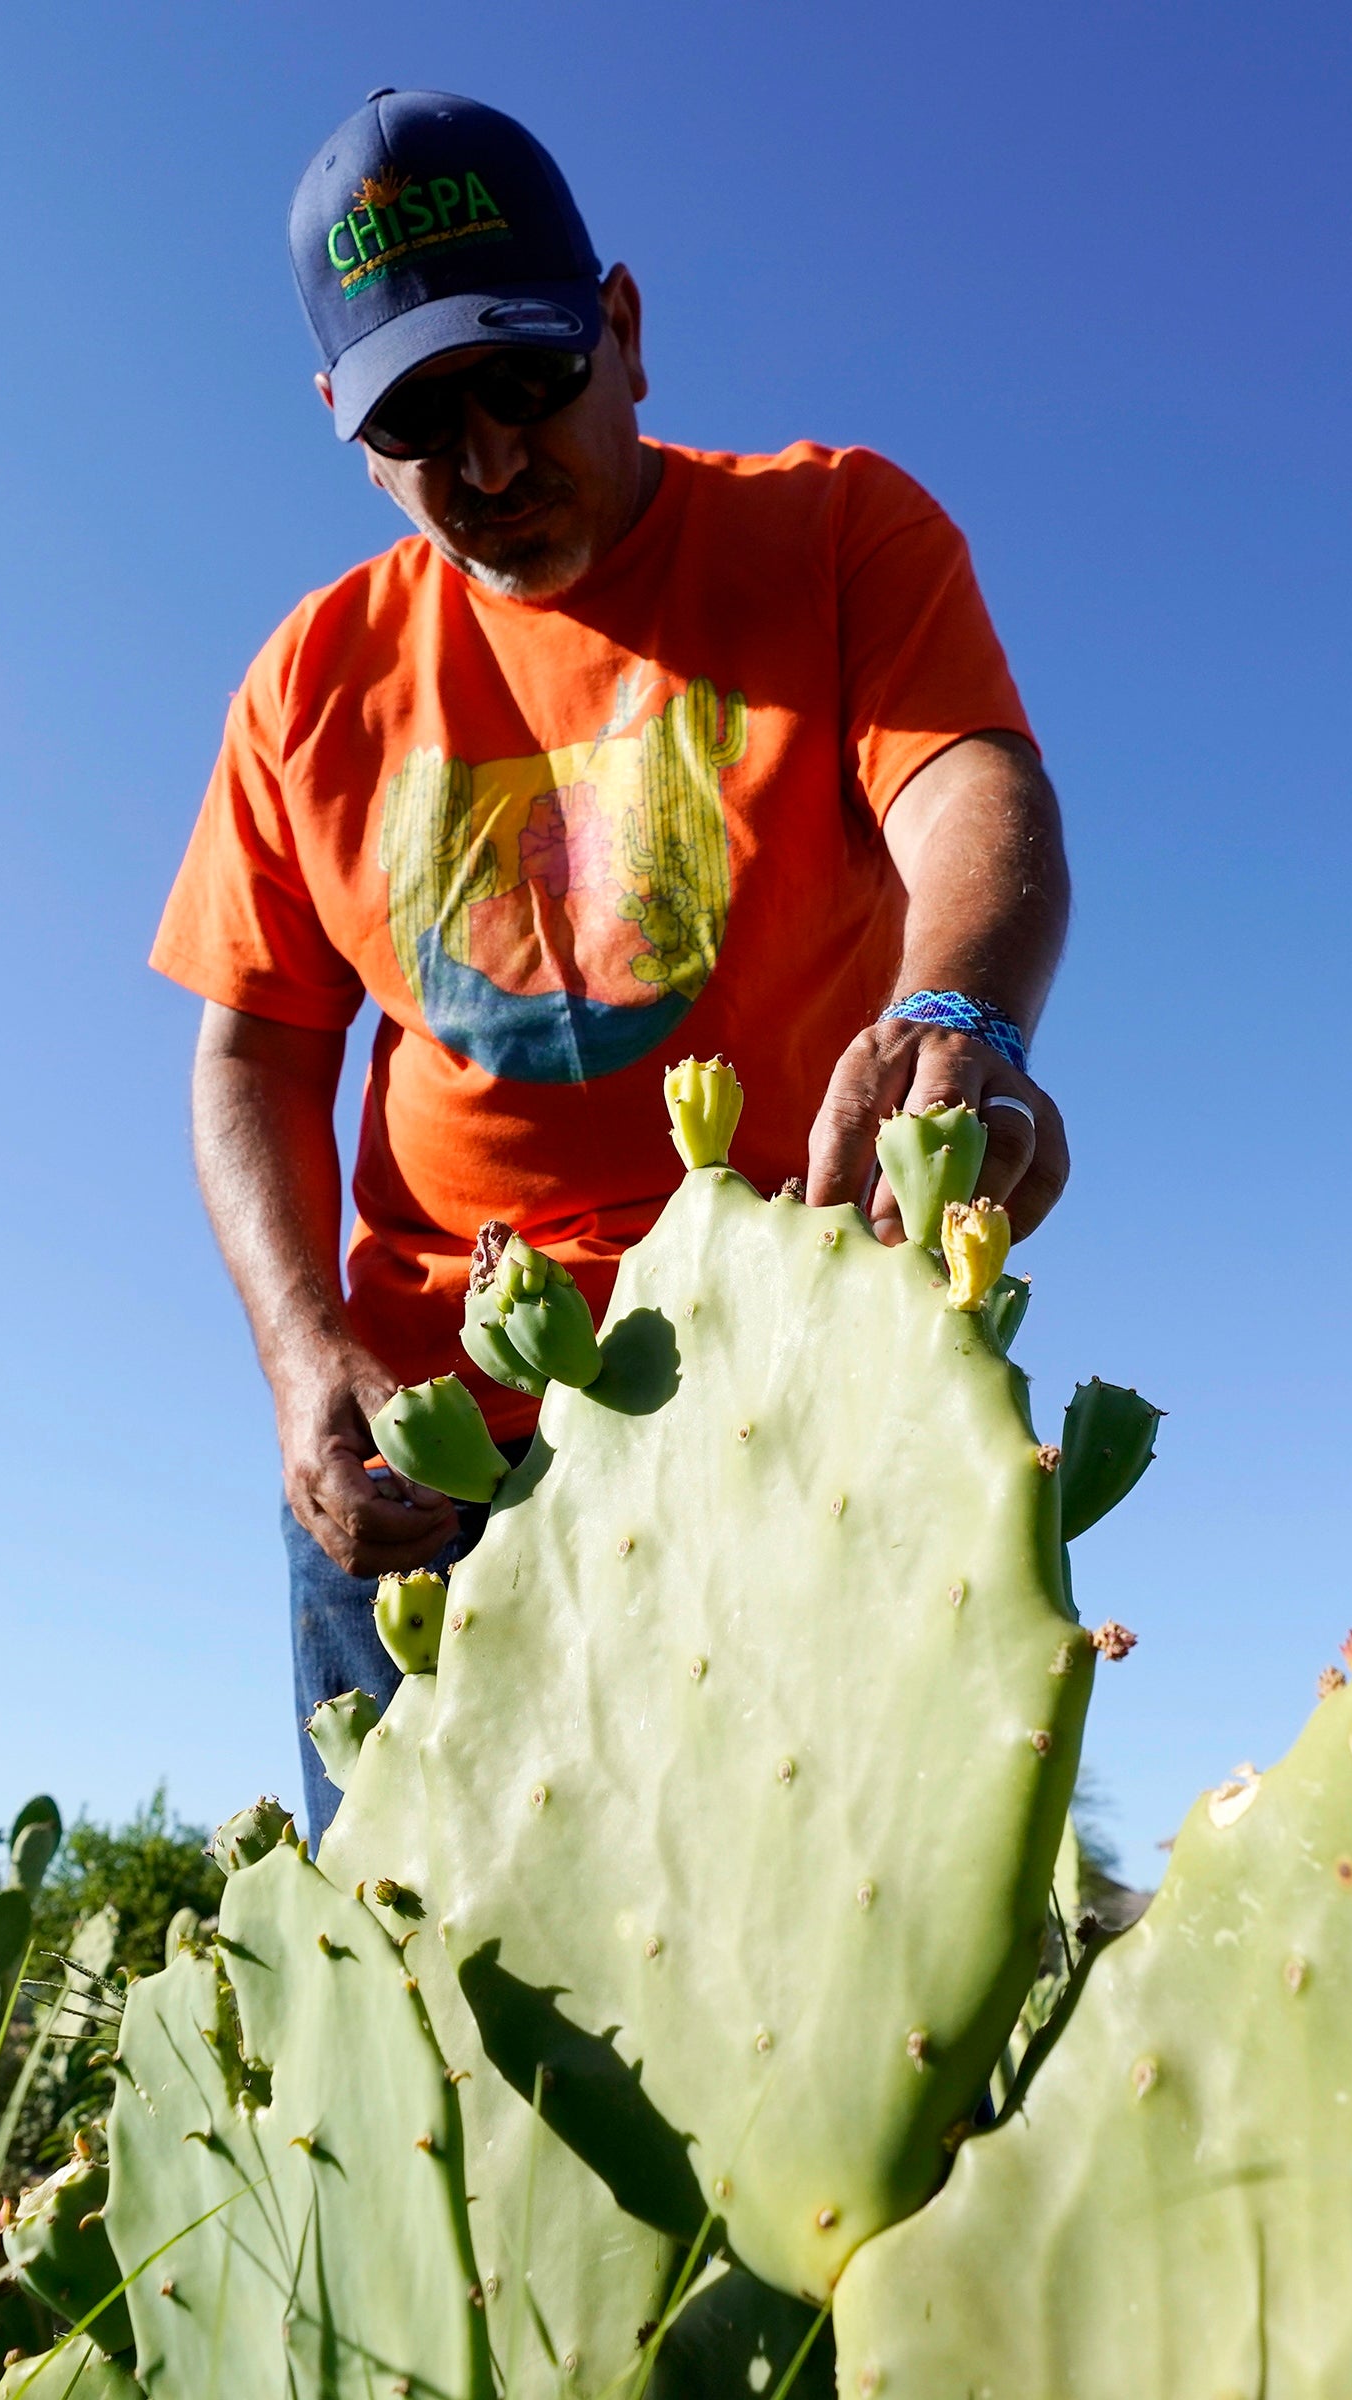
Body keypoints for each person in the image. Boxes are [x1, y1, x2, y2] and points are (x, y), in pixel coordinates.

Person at [151, 90, 1073, 1833]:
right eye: (425, 422)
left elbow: (970, 789)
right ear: (353, 440)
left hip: (781, 1388)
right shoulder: (307, 685)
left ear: (626, 331)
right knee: (435, 2018)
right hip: (431, 1447)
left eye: (525, 377)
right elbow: (252, 1051)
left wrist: (958, 1011)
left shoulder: (834, 533)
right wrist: (299, 1360)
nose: (492, 461)